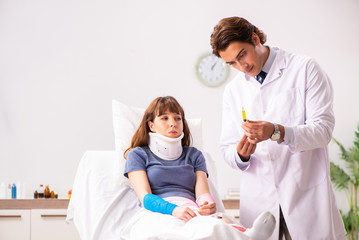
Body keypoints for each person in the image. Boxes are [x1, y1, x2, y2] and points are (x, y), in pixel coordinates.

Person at [210, 17, 346, 240]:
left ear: (255, 38)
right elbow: (227, 147)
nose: (241, 66)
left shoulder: (304, 68)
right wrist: (241, 154)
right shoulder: (233, 91)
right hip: (260, 202)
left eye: (242, 54)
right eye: (232, 63)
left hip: (304, 194)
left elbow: (323, 130)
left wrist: (277, 131)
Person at [123, 96, 275, 239]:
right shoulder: (138, 154)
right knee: (170, 231)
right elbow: (146, 198)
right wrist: (174, 210)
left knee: (213, 225)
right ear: (151, 125)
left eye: (178, 118)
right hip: (157, 211)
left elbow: (202, 193)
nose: (173, 123)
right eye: (164, 118)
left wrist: (206, 205)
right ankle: (247, 237)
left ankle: (249, 236)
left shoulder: (194, 155)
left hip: (191, 210)